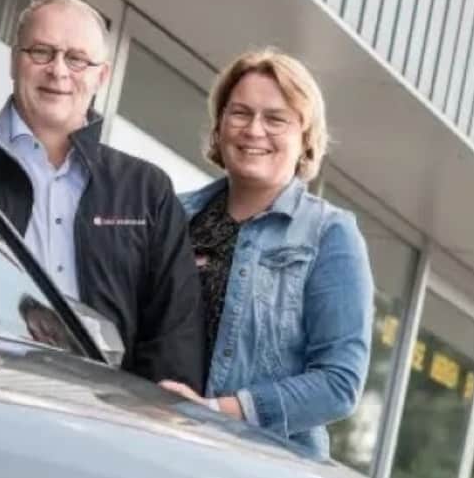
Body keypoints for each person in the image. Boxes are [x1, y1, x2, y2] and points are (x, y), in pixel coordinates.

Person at [0, 0, 205, 390]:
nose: (58, 71)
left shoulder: (147, 191)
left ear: (102, 76)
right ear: (14, 60)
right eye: (41, 52)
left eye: (77, 59)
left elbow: (174, 339)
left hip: (92, 411)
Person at [160, 49, 374, 457]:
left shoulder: (329, 235)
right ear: (219, 126)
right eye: (240, 113)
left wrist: (215, 412)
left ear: (306, 137)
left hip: (263, 469)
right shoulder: (173, 216)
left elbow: (339, 383)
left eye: (276, 119)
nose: (254, 130)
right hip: (161, 445)